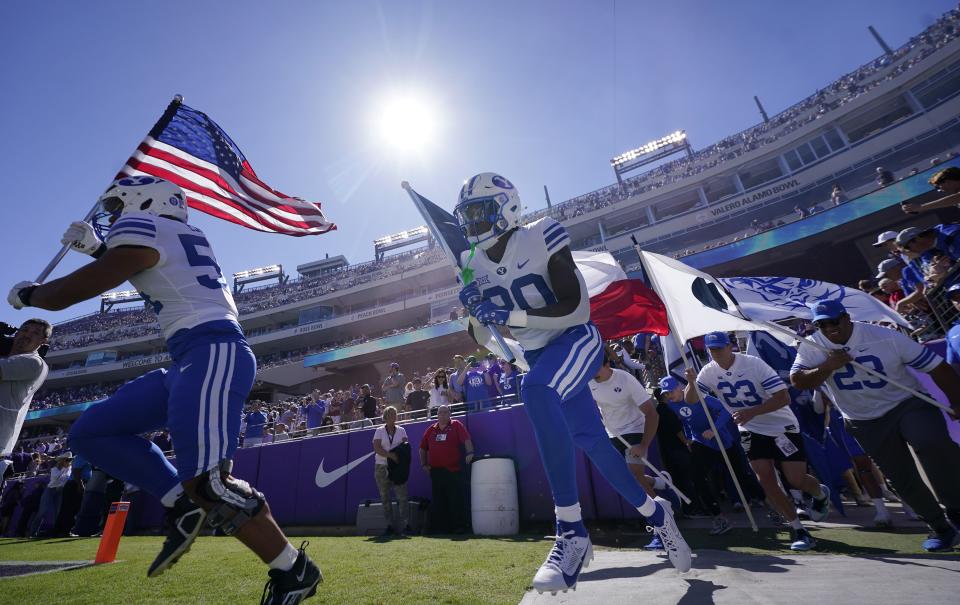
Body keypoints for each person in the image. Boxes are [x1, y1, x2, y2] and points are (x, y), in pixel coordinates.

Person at [9, 176, 319, 602]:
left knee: (210, 484)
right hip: (190, 357)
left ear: (145, 202)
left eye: (119, 208)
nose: (116, 216)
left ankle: (293, 570)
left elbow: (95, 281)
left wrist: (34, 295)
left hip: (212, 351)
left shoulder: (150, 229)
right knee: (90, 432)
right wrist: (98, 247)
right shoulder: (175, 232)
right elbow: (146, 268)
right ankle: (179, 500)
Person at [454, 172, 689, 593]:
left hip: (575, 338)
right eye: (466, 216)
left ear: (508, 207)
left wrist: (509, 316)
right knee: (592, 442)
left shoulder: (541, 234)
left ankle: (572, 530)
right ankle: (657, 515)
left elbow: (576, 309)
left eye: (480, 212)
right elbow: (484, 336)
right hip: (541, 356)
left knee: (537, 391)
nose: (472, 224)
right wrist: (474, 315)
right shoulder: (471, 264)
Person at [790, 299, 960, 551]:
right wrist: (827, 366)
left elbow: (938, 367)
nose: (829, 328)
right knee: (899, 477)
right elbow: (798, 380)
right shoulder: (812, 346)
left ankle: (957, 510)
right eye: (822, 324)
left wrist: (957, 401)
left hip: (905, 403)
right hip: (863, 419)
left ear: (846, 318)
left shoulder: (883, 336)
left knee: (931, 443)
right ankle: (939, 527)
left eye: (834, 321)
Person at [688, 332, 829, 551]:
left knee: (796, 479)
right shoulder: (708, 371)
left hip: (781, 426)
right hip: (751, 429)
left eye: (720, 348)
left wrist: (752, 412)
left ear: (730, 346)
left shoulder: (753, 364)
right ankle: (798, 529)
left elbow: (784, 398)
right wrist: (690, 382)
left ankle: (820, 493)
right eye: (712, 349)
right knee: (766, 481)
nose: (717, 353)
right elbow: (692, 399)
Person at [588, 349, 662, 499]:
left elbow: (652, 414)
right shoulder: (587, 382)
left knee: (635, 474)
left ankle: (662, 515)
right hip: (613, 434)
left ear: (607, 364)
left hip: (635, 430)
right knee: (626, 479)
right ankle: (656, 482)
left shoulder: (625, 379)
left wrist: (643, 445)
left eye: (595, 367)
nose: (590, 372)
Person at [0, 319, 50, 480]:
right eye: (24, 329)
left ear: (43, 341)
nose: (27, 335)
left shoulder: (34, 362)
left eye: (35, 333)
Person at [418, 405, 473, 534]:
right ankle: (442, 528)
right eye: (440, 412)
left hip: (453, 470)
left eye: (445, 412)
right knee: (439, 500)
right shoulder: (431, 429)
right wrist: (424, 464)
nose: (442, 414)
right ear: (437, 415)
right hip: (436, 471)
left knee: (455, 499)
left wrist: (470, 452)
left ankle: (459, 526)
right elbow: (422, 448)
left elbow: (467, 440)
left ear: (449, 413)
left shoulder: (456, 425)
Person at [372, 406, 409, 536]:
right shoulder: (379, 430)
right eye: (391, 414)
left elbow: (406, 448)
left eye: (395, 414)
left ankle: (406, 525)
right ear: (386, 416)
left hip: (398, 468)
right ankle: (389, 525)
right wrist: (391, 455)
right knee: (385, 497)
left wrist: (399, 458)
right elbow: (376, 448)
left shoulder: (402, 430)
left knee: (402, 496)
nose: (394, 416)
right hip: (381, 467)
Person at [31, 451, 72, 537]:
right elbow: (56, 479)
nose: (69, 462)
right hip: (50, 489)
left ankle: (56, 532)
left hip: (60, 491)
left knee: (58, 512)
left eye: (70, 460)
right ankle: (33, 532)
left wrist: (65, 467)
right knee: (42, 511)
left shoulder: (68, 468)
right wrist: (63, 468)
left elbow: (66, 479)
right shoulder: (55, 468)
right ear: (63, 460)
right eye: (67, 460)